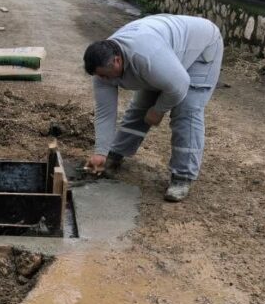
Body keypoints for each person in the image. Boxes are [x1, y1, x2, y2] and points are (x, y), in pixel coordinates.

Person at [83, 14, 223, 202]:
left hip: (202, 49)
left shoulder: (145, 56)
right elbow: (105, 113)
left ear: (116, 61)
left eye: (106, 76)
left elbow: (180, 84)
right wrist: (100, 152)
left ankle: (182, 177)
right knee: (140, 107)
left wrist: (159, 110)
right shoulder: (102, 70)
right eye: (100, 76)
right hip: (166, 54)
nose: (104, 80)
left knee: (186, 111)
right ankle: (115, 154)